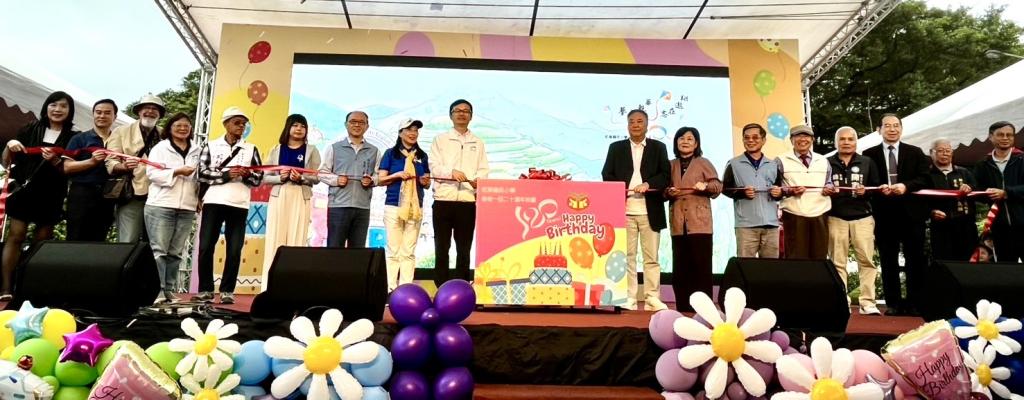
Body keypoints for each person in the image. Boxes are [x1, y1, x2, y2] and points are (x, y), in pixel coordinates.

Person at [1, 91, 77, 300]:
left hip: (52, 192)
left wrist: (55, 160)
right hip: (25, 190)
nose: (58, 109)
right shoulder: (29, 128)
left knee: (42, 241)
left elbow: (71, 168)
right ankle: (5, 288)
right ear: (46, 107)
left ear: (70, 111)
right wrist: (10, 145)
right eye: (53, 105)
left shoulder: (73, 137)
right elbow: (6, 161)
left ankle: (27, 285)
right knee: (16, 236)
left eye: (63, 106)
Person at [601, 109, 671, 311]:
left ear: (647, 125)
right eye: (631, 121)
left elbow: (665, 175)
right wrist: (624, 186)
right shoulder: (616, 148)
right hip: (624, 210)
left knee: (651, 258)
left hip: (650, 211)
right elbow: (607, 174)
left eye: (640, 121)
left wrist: (648, 184)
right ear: (627, 125)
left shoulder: (658, 147)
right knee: (628, 257)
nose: (635, 125)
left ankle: (652, 297)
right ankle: (629, 297)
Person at [863, 113, 932, 316]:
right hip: (884, 214)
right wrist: (879, 187)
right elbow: (867, 182)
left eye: (896, 126)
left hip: (912, 214)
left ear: (901, 129)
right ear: (879, 130)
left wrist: (906, 186)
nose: (892, 129)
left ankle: (915, 303)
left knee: (915, 259)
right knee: (888, 259)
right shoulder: (869, 154)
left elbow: (925, 178)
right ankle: (893, 303)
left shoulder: (915, 152)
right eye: (887, 126)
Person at [196, 107, 263, 304]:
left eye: (244, 124)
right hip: (214, 200)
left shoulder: (251, 148)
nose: (241, 126)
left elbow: (258, 177)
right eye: (237, 122)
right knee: (206, 246)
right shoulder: (211, 145)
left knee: (234, 249)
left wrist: (247, 174)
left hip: (239, 202)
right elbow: (201, 173)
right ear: (226, 124)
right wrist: (226, 175)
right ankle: (205, 289)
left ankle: (227, 290)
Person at [430, 100, 489, 286]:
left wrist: (478, 182)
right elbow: (434, 166)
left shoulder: (478, 142)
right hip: (443, 200)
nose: (462, 114)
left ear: (471, 116)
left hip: (467, 201)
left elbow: (484, 169)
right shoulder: (441, 139)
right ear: (451, 115)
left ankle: (462, 285)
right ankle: (440, 285)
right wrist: (451, 172)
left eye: (466, 111)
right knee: (441, 247)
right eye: (457, 111)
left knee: (464, 248)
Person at [144, 113, 201, 303]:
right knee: (159, 251)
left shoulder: (197, 150)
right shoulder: (160, 148)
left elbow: (200, 177)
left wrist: (199, 197)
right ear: (170, 128)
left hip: (187, 207)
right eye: (178, 125)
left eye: (186, 126)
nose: (183, 129)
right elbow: (152, 174)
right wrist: (176, 172)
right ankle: (157, 291)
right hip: (161, 205)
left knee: (176, 253)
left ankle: (169, 289)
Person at [664, 127, 721, 312]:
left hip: (700, 223)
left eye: (690, 139)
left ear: (696, 144)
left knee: (701, 267)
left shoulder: (703, 162)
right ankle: (682, 307)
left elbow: (717, 185)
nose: (685, 141)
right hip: (678, 223)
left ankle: (704, 309)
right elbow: (662, 190)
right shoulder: (670, 164)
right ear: (676, 142)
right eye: (681, 138)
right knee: (680, 268)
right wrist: (669, 192)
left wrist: (706, 185)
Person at [826, 127, 882, 315]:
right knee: (837, 262)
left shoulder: (867, 162)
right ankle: (842, 301)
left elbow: (877, 189)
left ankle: (868, 302)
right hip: (835, 217)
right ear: (836, 142)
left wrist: (866, 191)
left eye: (850, 139)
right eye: (842, 139)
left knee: (866, 261)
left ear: (856, 142)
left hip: (863, 217)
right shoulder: (827, 163)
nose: (846, 142)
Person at [262, 114, 321, 289]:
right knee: (275, 238)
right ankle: (269, 286)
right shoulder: (276, 149)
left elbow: (317, 177)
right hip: (279, 195)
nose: (299, 129)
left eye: (302, 126)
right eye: (295, 125)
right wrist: (279, 178)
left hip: (300, 196)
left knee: (297, 238)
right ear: (288, 127)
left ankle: (293, 286)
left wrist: (301, 178)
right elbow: (265, 177)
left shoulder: (311, 150)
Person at [378, 118, 432, 292]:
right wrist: (397, 175)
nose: (413, 133)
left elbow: (427, 183)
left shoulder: (422, 156)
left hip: (415, 208)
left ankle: (406, 289)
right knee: (393, 250)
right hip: (394, 206)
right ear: (400, 133)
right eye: (409, 130)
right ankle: (390, 289)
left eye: (415, 130)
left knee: (408, 251)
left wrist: (425, 181)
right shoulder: (390, 154)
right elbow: (380, 179)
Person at [105, 93, 165, 243]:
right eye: (146, 108)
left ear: (160, 114)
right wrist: (123, 166)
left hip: (159, 194)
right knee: (128, 240)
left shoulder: (164, 134)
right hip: (131, 193)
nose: (150, 111)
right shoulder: (121, 131)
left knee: (156, 243)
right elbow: (110, 160)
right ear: (139, 111)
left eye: (155, 109)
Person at [721, 123, 784, 258]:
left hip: (771, 225)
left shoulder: (773, 164)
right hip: (746, 225)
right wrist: (742, 192)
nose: (750, 140)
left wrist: (779, 193)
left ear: (764, 140)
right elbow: (725, 189)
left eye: (755, 137)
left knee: (771, 267)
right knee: (745, 266)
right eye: (746, 137)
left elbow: (780, 189)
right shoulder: (733, 164)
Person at [319, 111, 378, 248]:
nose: (357, 125)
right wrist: (336, 180)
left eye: (361, 122)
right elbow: (322, 173)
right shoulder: (334, 148)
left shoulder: (374, 151)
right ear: (346, 124)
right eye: (353, 122)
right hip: (338, 206)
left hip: (362, 207)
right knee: (334, 248)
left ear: (367, 126)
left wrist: (372, 181)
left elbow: (379, 175)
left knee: (357, 250)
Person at [63, 99, 117, 241]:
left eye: (107, 113)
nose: (102, 116)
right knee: (75, 237)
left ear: (115, 116)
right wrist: (91, 161)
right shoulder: (79, 138)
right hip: (82, 193)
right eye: (98, 112)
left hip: (108, 195)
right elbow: (67, 167)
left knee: (99, 238)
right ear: (93, 114)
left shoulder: (118, 140)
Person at [777, 125, 834, 259]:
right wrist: (790, 191)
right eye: (798, 136)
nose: (802, 139)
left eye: (806, 136)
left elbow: (829, 181)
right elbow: (775, 188)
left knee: (819, 257)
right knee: (796, 258)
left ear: (812, 139)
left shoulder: (823, 160)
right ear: (791, 140)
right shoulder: (780, 160)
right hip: (794, 214)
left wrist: (829, 188)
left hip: (820, 213)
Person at [973, 121, 1024, 263]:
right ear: (990, 137)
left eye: (1009, 135)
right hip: (1000, 228)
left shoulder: (1022, 159)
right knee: (1006, 267)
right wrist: (985, 193)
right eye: (1000, 134)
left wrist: (1007, 193)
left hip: (1023, 223)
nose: (1005, 138)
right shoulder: (983, 164)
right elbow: (977, 190)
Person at [927, 138, 977, 262]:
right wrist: (930, 212)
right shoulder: (926, 175)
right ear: (931, 153)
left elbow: (978, 190)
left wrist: (970, 187)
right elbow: (919, 201)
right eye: (940, 151)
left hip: (966, 226)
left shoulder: (964, 172)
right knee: (944, 263)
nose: (945, 154)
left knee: (968, 264)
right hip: (940, 228)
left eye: (948, 151)